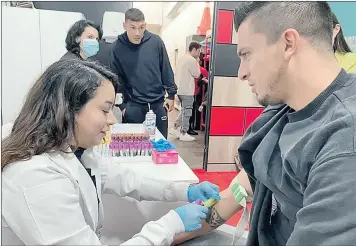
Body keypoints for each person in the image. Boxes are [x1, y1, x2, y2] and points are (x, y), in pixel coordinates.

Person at [173, 2, 356, 245]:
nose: (241, 72)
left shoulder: (348, 143)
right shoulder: (284, 110)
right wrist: (162, 233)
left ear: (288, 44)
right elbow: (237, 192)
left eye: (246, 54)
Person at [1, 59, 222, 245]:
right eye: (105, 109)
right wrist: (171, 224)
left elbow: (127, 180)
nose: (112, 120)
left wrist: (185, 190)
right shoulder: (35, 177)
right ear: (69, 108)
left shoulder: (76, 150)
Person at [110, 8, 177, 139]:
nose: (137, 33)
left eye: (141, 27)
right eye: (133, 27)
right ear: (124, 25)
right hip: (133, 106)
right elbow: (116, 78)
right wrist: (123, 106)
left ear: (145, 25)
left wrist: (171, 95)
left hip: (158, 104)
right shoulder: (116, 47)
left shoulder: (156, 42)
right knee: (134, 147)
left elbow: (166, 69)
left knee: (160, 145)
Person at [170, 42, 201, 141]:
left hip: (179, 89)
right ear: (194, 49)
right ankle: (184, 133)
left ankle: (175, 127)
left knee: (183, 110)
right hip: (187, 91)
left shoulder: (181, 58)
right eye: (199, 51)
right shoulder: (192, 60)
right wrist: (197, 62)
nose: (199, 54)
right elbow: (197, 74)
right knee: (187, 112)